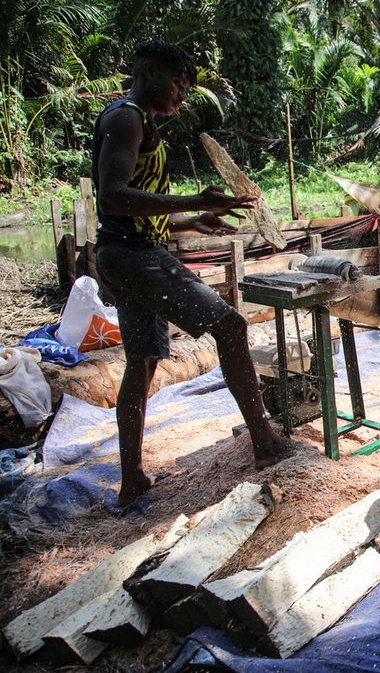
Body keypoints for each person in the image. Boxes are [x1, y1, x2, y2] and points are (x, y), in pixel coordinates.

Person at [92, 40, 289, 507]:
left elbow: (132, 210)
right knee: (232, 326)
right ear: (148, 70)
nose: (182, 96)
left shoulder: (141, 123)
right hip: (136, 256)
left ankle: (132, 477)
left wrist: (190, 221)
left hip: (125, 251)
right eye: (178, 85)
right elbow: (112, 198)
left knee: (141, 365)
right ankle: (265, 443)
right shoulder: (126, 118)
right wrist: (197, 201)